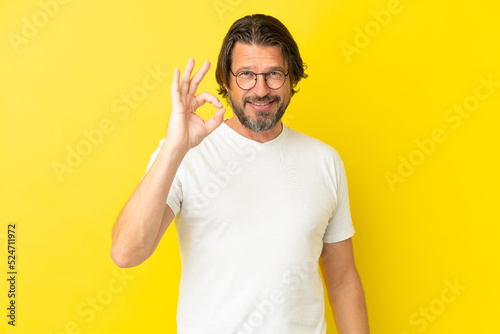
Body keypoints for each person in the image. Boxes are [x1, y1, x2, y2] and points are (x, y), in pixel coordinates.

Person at [111, 13, 369, 334]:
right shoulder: (184, 155)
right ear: (226, 80)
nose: (260, 90)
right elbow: (126, 252)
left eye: (273, 74)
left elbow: (343, 280)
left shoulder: (324, 160)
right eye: (246, 74)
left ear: (292, 78)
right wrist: (174, 150)